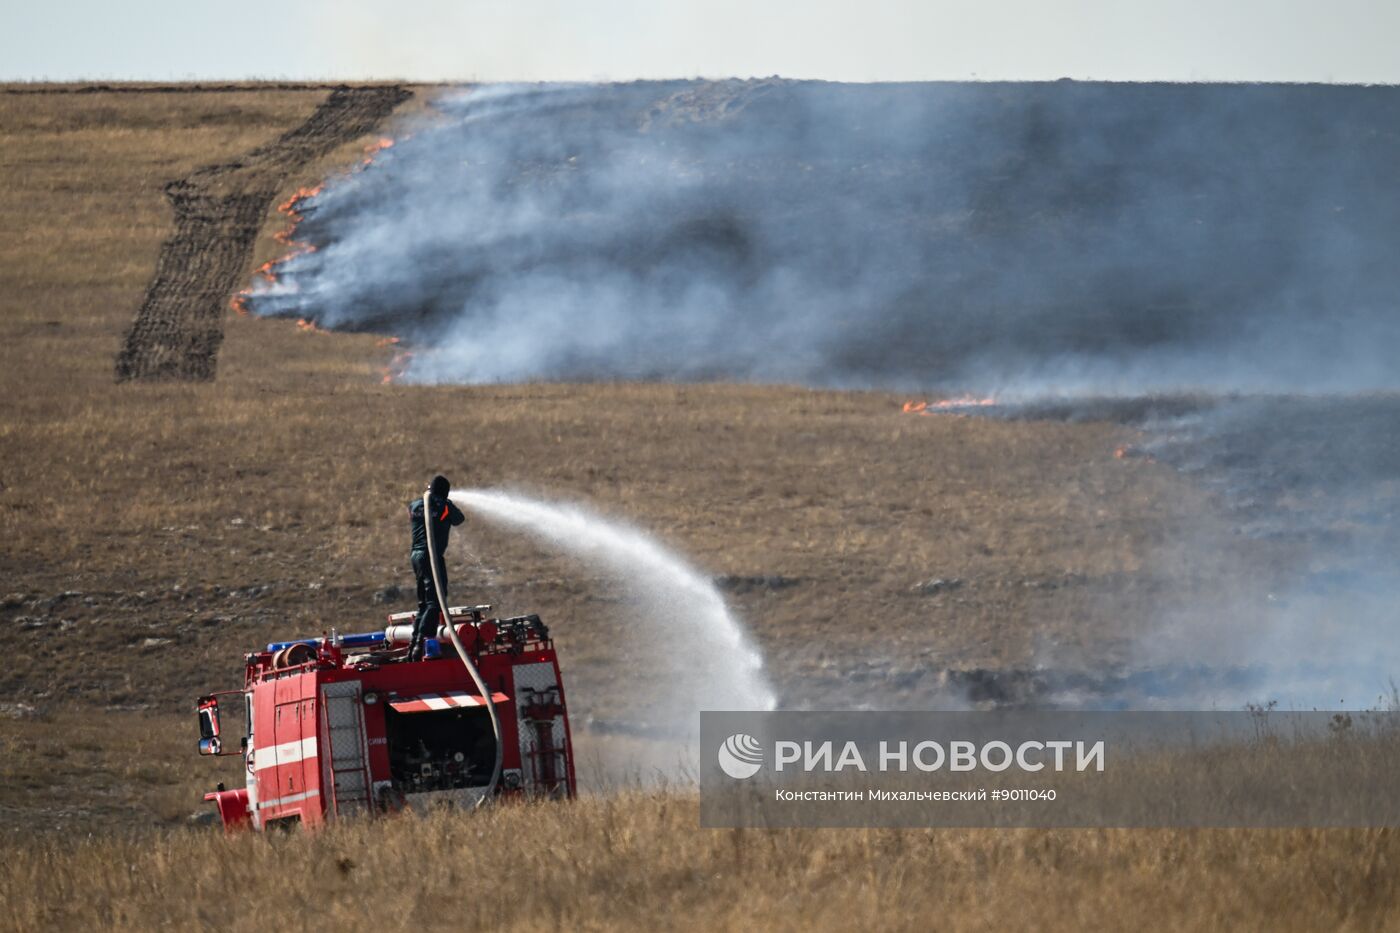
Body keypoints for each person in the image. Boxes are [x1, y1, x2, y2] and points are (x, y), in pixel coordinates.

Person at [407, 475, 465, 661]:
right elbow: (459, 519)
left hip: (416, 556)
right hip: (431, 556)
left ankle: (413, 646)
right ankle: (422, 644)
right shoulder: (444, 506)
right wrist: (446, 502)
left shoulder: (415, 505)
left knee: (423, 604)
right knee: (435, 602)